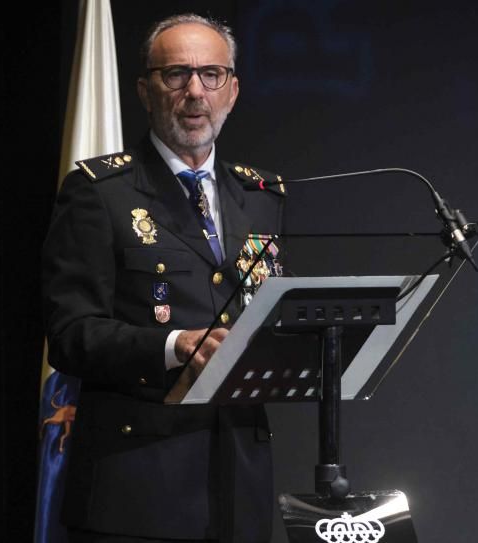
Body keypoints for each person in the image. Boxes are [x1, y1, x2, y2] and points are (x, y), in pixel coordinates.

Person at [42, 13, 285, 543]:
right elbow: (69, 335)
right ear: (145, 90)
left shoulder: (263, 197)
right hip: (137, 486)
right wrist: (175, 345)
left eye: (211, 75)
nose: (194, 91)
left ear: (233, 90)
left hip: (239, 482)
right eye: (176, 74)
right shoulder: (101, 192)